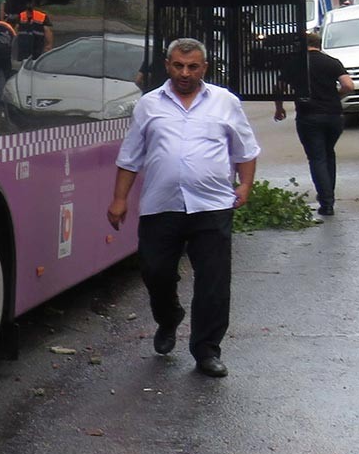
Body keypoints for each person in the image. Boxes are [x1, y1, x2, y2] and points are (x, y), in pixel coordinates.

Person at [107, 38, 259, 379]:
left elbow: (245, 150)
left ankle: (207, 350)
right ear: (167, 65)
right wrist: (119, 200)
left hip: (212, 205)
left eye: (192, 67)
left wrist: (245, 185)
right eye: (178, 65)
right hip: (161, 206)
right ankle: (168, 316)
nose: (185, 73)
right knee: (155, 271)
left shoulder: (225, 102)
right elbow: (130, 157)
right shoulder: (148, 105)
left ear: (204, 67)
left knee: (213, 282)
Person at [272, 31, 355, 216]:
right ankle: (329, 195)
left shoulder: (295, 64)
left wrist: (279, 108)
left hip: (308, 116)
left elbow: (279, 88)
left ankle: (327, 202)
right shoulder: (332, 62)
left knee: (317, 158)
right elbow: (348, 85)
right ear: (318, 44)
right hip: (334, 116)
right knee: (328, 154)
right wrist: (335, 96)